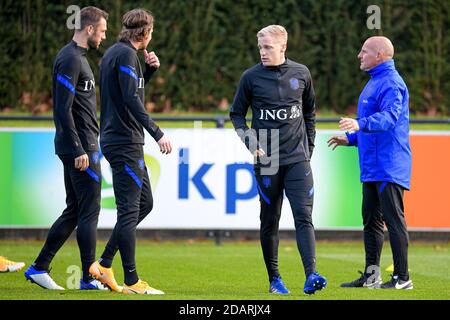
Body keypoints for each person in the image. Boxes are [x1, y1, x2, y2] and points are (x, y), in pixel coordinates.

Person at [229, 25, 326, 295]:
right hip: (268, 156)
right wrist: (251, 142)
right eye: (260, 47)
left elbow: (310, 113)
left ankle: (311, 275)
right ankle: (275, 280)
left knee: (304, 217)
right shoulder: (250, 77)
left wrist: (310, 146)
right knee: (270, 220)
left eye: (268, 47)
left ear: (283, 47)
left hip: (298, 158)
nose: (263, 52)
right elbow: (236, 115)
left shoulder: (301, 73)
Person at [24, 7, 108, 291]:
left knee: (75, 209)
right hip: (80, 148)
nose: (104, 36)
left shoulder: (77, 57)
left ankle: (40, 267)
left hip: (81, 145)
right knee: (89, 210)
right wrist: (78, 149)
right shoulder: (71, 58)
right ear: (89, 29)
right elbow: (62, 109)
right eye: (103, 30)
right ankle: (87, 277)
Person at [88, 8, 172, 295]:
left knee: (144, 204)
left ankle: (104, 263)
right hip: (124, 142)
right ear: (146, 32)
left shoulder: (117, 53)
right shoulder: (125, 56)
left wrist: (148, 71)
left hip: (122, 140)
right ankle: (132, 281)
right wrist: (158, 132)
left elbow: (128, 94)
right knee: (128, 211)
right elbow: (132, 102)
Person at [328, 36, 413, 290]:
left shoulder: (392, 83)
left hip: (389, 165)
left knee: (394, 221)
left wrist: (360, 124)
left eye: (364, 51)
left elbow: (388, 119)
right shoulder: (375, 82)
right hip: (373, 166)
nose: (359, 55)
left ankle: (402, 278)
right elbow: (371, 128)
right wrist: (351, 138)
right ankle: (372, 275)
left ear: (379, 56)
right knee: (372, 222)